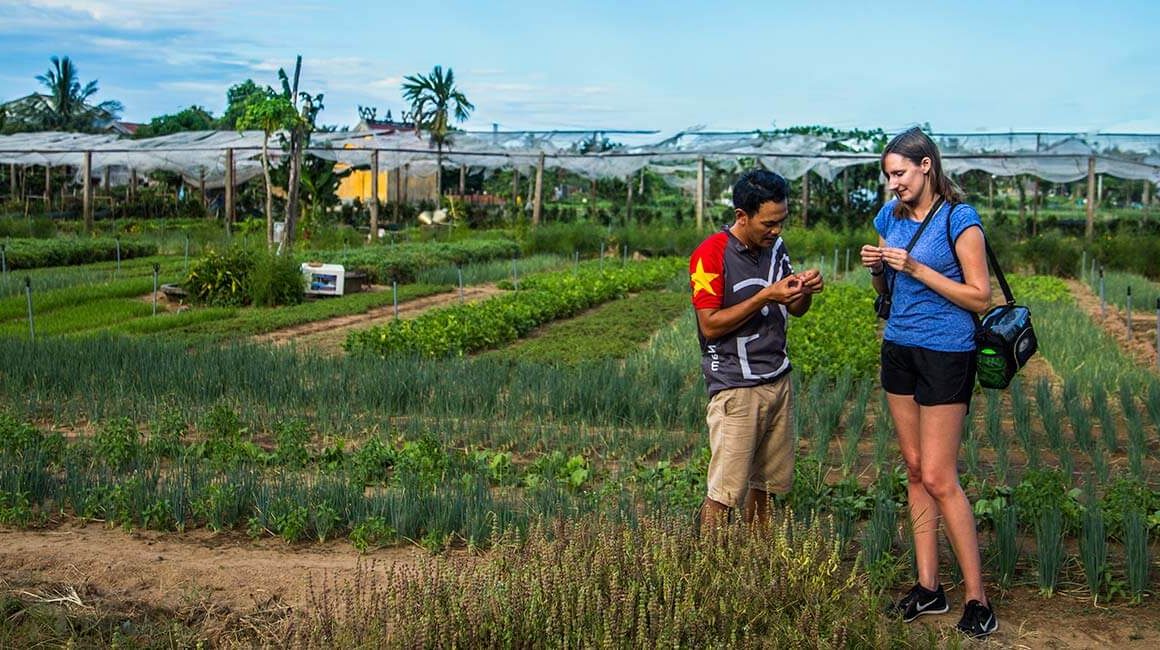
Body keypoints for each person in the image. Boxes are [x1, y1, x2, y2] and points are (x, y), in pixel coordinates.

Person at [860, 127, 998, 638]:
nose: (893, 183)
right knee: (915, 470)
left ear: (926, 166)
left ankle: (977, 599)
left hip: (946, 352)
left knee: (941, 477)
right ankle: (928, 588)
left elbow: (979, 298)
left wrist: (916, 266)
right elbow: (886, 290)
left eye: (899, 173)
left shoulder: (961, 221)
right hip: (899, 348)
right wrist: (879, 268)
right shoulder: (888, 218)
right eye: (887, 175)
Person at [689, 169, 822, 532]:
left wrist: (803, 291)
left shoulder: (776, 248)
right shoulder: (711, 253)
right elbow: (710, 325)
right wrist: (766, 294)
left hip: (777, 379)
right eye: (768, 223)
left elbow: (795, 309)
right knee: (724, 491)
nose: (776, 231)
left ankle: (755, 560)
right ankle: (708, 569)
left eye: (781, 221)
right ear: (741, 217)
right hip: (735, 385)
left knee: (766, 484)